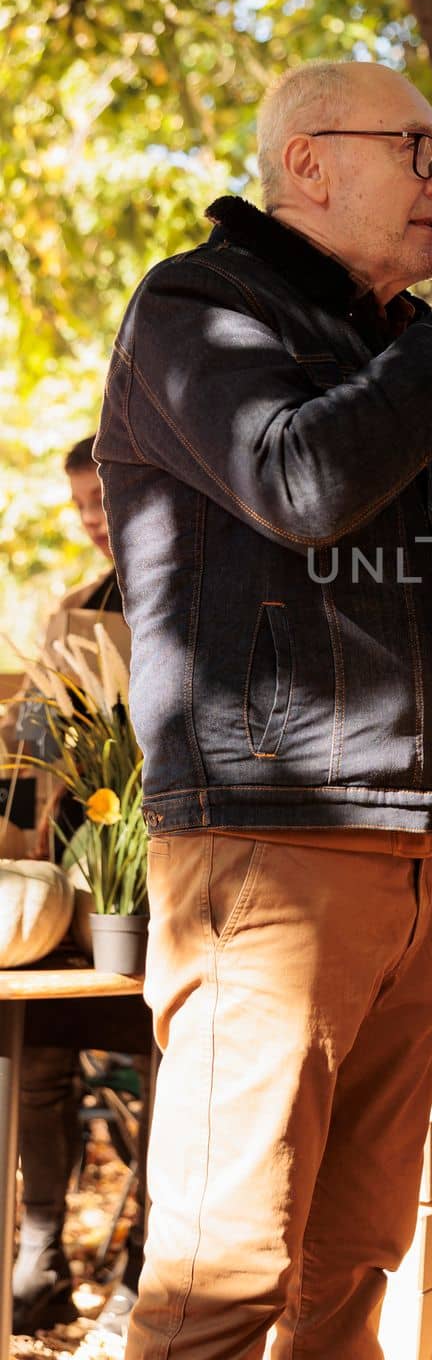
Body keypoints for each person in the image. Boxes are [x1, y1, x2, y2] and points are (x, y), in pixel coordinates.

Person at [94, 59, 432, 1358]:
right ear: (308, 164)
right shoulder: (199, 309)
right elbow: (299, 484)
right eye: (419, 154)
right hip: (272, 845)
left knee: (350, 1263)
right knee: (224, 1277)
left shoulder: (380, 349)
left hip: (406, 846)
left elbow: (404, 597)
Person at [0, 438, 152, 1335]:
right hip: (76, 889)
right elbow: (34, 766)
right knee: (39, 1048)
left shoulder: (198, 591)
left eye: (105, 498)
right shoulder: (72, 615)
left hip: (166, 892)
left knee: (169, 1065)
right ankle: (41, 1253)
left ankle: (144, 1268)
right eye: (82, 505)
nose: (96, 520)